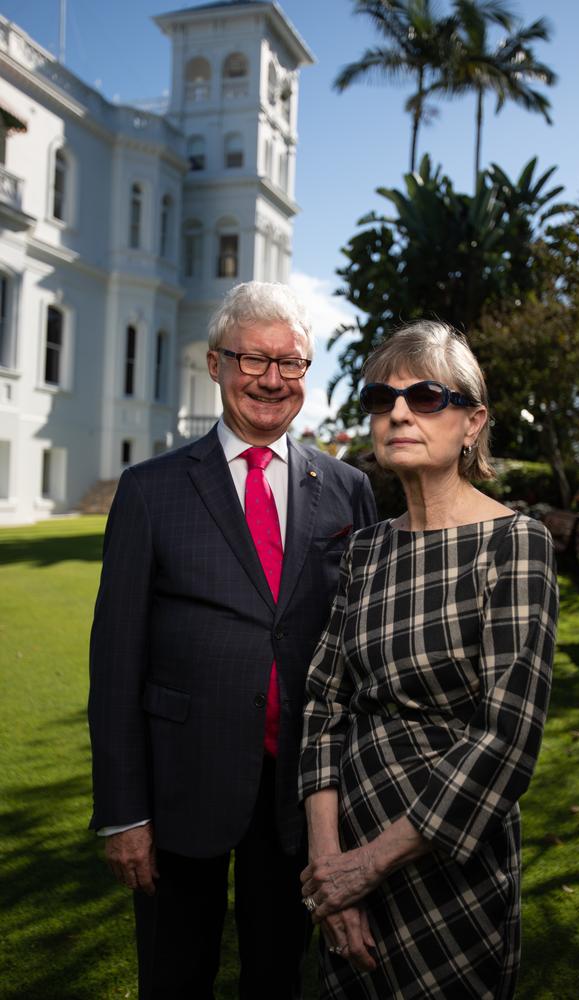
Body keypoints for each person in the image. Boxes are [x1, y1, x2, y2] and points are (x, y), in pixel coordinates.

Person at [88, 281, 377, 1000]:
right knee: (176, 975)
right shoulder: (150, 490)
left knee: (277, 974)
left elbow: (359, 653)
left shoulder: (347, 490)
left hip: (300, 795)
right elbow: (116, 662)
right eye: (254, 359)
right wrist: (124, 811)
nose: (272, 380)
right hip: (181, 784)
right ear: (217, 363)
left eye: (292, 364)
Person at [298, 320, 558, 1000]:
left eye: (426, 396)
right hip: (348, 849)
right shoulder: (365, 550)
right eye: (383, 398)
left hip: (450, 870)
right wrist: (330, 869)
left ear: (472, 422)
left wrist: (371, 864)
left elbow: (509, 737)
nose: (399, 412)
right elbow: (324, 705)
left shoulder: (515, 543)